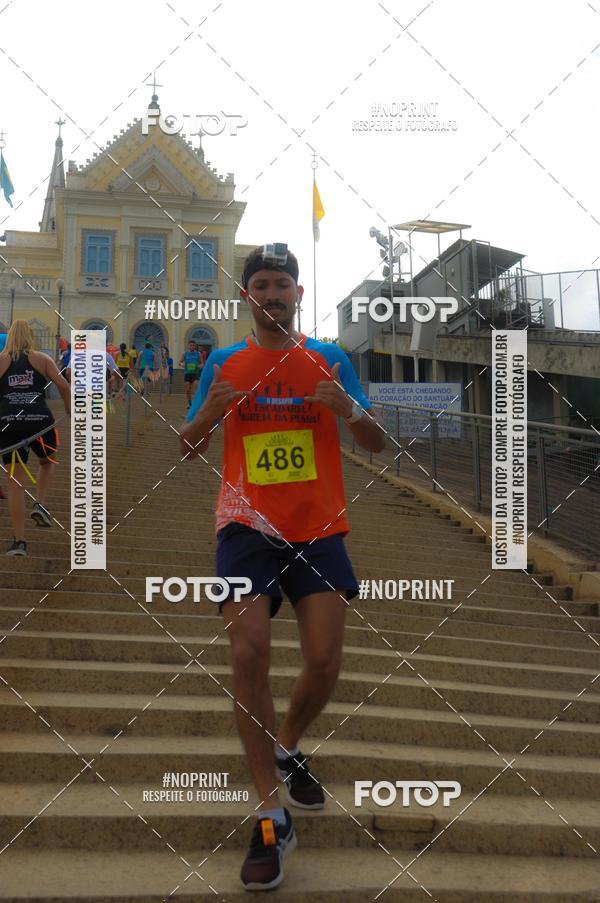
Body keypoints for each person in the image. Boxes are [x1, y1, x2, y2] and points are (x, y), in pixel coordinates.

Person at [180, 245, 385, 891]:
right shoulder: (222, 361)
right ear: (247, 296)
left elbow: (377, 441)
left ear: (299, 294)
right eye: (261, 284)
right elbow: (186, 447)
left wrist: (346, 408)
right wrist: (211, 412)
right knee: (251, 648)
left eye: (283, 285)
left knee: (325, 659)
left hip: (319, 526)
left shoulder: (330, 359)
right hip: (245, 526)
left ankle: (287, 743)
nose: (272, 293)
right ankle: (269, 815)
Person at [0, 320, 71, 556]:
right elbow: (64, 386)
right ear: (31, 336)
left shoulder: (1, 360)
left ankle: (19, 542)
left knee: (15, 483)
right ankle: (39, 503)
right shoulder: (42, 359)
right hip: (40, 422)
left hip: (10, 423)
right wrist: (71, 410)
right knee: (48, 460)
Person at [179, 340, 201, 410]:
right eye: (191, 345)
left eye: (193, 345)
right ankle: (189, 403)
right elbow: (180, 362)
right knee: (188, 390)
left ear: (195, 346)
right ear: (188, 346)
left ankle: (196, 403)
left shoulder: (198, 354)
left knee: (196, 389)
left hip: (195, 374)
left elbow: (202, 363)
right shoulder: (185, 354)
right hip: (187, 374)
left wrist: (200, 366)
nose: (192, 346)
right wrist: (182, 364)